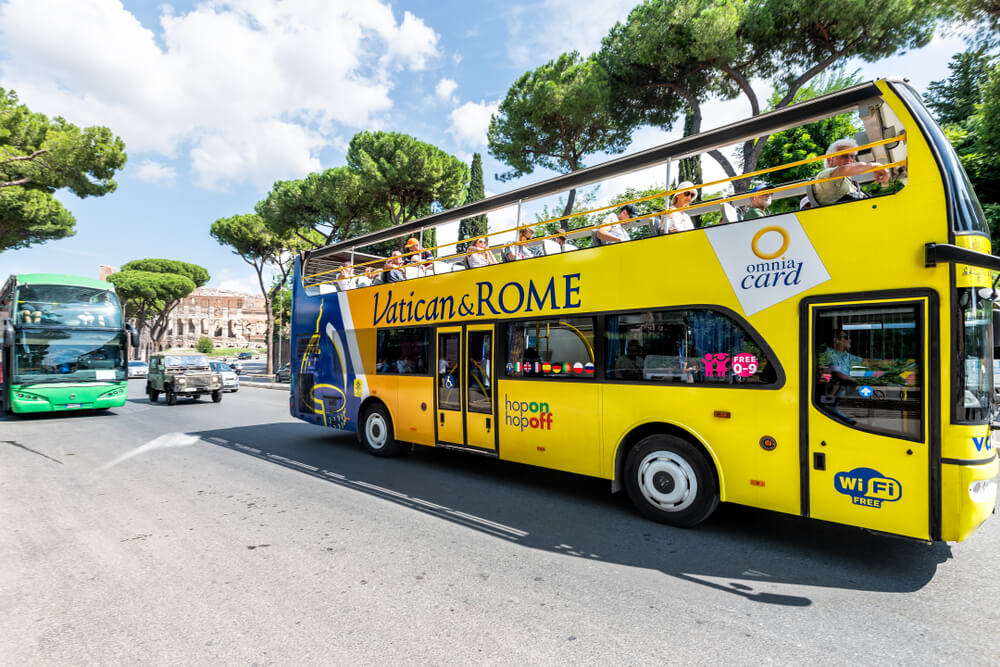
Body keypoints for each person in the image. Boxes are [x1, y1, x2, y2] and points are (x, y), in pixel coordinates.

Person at [812, 138, 890, 206]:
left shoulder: (848, 181)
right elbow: (845, 169)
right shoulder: (824, 175)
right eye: (844, 155)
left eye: (852, 156)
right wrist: (875, 166)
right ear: (830, 159)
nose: (850, 159)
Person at [819, 328, 863, 425]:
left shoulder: (847, 356)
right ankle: (842, 416)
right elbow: (835, 373)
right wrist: (854, 380)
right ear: (836, 340)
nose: (849, 340)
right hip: (832, 388)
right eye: (846, 338)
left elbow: (866, 362)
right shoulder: (828, 354)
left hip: (844, 391)